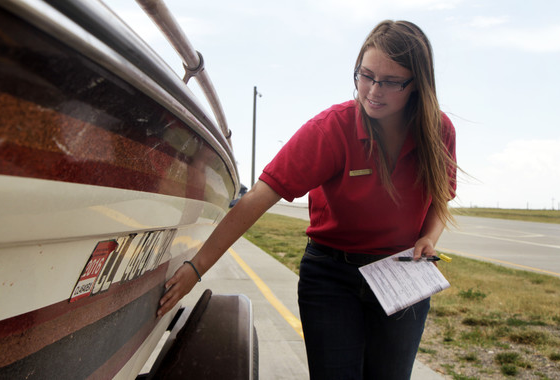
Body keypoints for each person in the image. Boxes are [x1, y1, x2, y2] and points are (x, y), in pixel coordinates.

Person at [158, 19, 457, 380]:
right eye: (365, 75)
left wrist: (429, 238)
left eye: (391, 81)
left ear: (417, 85)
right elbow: (257, 199)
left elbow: (440, 197)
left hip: (402, 273)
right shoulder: (331, 129)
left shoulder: (438, 131)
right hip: (333, 277)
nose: (373, 91)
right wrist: (196, 267)